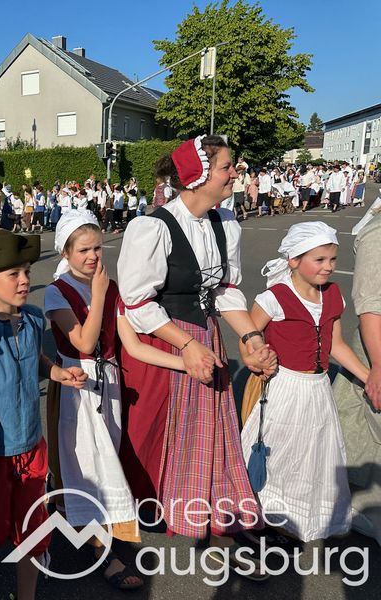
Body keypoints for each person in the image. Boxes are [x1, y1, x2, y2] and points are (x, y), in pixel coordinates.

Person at [117, 136, 276, 577]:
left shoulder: (224, 222)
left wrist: (251, 337)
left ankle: (218, 522)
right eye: (227, 167)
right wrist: (186, 346)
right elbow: (137, 303)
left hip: (206, 336)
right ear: (200, 176)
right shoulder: (152, 227)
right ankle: (156, 520)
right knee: (168, 435)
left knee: (216, 433)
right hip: (166, 342)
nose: (235, 173)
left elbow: (225, 290)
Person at [45, 212, 190, 590]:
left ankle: (98, 533)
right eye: (83, 250)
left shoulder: (111, 288)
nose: (93, 256)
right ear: (65, 252)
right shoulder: (57, 291)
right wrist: (97, 294)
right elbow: (83, 342)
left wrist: (185, 362)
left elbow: (132, 344)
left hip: (107, 382)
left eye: (97, 248)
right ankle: (102, 550)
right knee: (90, 465)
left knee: (107, 457)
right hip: (75, 385)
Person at [0, 230, 87, 600]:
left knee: (34, 529)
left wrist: (57, 372)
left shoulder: (34, 318)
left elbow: (34, 357)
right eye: (14, 274)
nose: (25, 279)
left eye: (26, 271)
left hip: (31, 445)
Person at [242, 222, 368, 542]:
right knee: (279, 453)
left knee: (311, 455)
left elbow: (335, 345)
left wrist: (368, 377)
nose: (328, 267)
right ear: (294, 260)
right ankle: (260, 517)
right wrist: (257, 358)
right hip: (284, 386)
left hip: (318, 388)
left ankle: (292, 518)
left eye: (333, 259)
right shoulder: (274, 297)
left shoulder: (333, 294)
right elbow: (249, 339)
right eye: (319, 259)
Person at [332, 206, 381, 546]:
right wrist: (377, 366)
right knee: (367, 435)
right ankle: (365, 512)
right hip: (376, 351)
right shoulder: (377, 234)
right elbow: (370, 307)